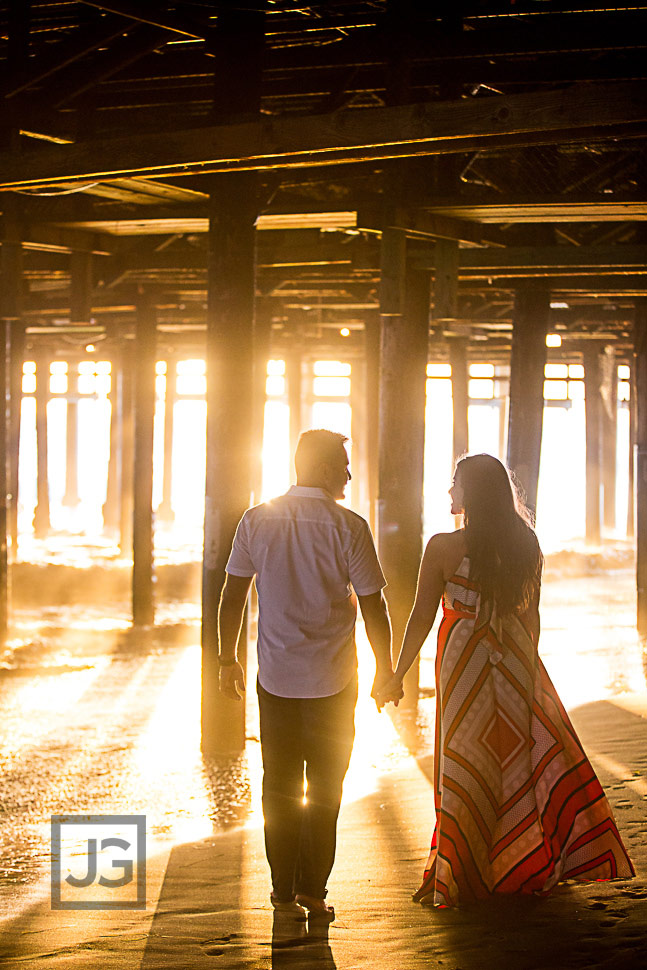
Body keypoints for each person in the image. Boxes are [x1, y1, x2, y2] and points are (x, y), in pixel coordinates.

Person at [377, 453, 635, 907]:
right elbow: (532, 617)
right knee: (517, 764)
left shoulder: (441, 547)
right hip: (516, 660)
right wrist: (530, 677)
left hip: (462, 664)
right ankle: (519, 864)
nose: (449, 490)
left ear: (471, 492)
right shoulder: (526, 544)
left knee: (462, 761)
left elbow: (420, 616)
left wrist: (397, 673)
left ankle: (459, 868)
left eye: (455, 482)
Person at [218, 429, 393, 921]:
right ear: (319, 469)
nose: (349, 473)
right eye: (342, 463)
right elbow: (374, 608)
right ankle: (313, 891)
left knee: (278, 784)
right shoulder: (350, 527)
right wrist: (386, 669)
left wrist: (225, 659)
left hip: (275, 678)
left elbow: (232, 595)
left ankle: (282, 891)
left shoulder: (257, 520)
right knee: (326, 787)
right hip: (334, 680)